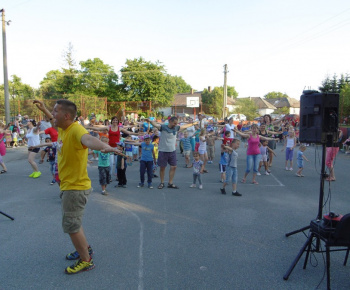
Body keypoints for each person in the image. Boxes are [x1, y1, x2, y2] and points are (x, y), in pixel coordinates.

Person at [45, 99, 122, 274]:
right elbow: (52, 119)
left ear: (66, 116)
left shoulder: (76, 130)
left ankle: (86, 260)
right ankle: (84, 248)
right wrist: (43, 108)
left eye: (55, 111)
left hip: (75, 188)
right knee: (75, 223)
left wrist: (104, 147)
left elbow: (88, 139)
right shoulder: (64, 128)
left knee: (72, 226)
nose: (52, 114)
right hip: (69, 186)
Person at [145, 117, 197, 189]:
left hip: (172, 151)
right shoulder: (163, 127)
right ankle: (162, 183)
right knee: (162, 167)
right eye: (174, 123)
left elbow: (184, 126)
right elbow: (156, 125)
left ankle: (170, 183)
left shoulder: (176, 128)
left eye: (176, 123)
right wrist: (150, 121)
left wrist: (193, 123)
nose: (175, 125)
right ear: (170, 121)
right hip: (163, 150)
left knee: (174, 167)